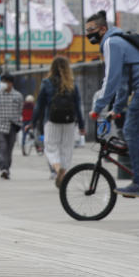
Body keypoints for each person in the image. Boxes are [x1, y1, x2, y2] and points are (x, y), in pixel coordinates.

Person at [85, 11, 139, 198]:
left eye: (91, 30)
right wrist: (115, 108)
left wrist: (97, 108)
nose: (88, 34)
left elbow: (111, 79)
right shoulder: (117, 41)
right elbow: (123, 81)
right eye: (86, 31)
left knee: (130, 132)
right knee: (134, 131)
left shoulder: (111, 42)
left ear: (103, 29)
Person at [32, 56, 85, 187]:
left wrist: (32, 123)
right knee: (67, 148)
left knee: (51, 147)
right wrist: (82, 126)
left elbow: (39, 105)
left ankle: (57, 169)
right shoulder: (72, 84)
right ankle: (64, 169)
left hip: (52, 120)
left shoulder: (46, 83)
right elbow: (78, 106)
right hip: (69, 121)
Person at [0, 73, 24, 179]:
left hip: (12, 126)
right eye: (2, 82)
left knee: (9, 149)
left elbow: (20, 110)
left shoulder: (17, 96)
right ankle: (3, 168)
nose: (4, 84)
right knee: (2, 147)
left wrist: (18, 122)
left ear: (11, 83)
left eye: (6, 82)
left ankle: (7, 168)